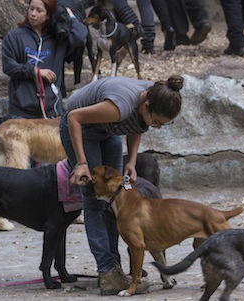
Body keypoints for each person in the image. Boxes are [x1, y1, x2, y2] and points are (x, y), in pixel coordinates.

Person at [59, 75, 183, 295]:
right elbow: (74, 117)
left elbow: (138, 125)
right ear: (146, 106)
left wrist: (132, 162)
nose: (155, 127)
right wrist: (81, 163)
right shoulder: (121, 106)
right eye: (156, 122)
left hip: (109, 130)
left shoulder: (153, 95)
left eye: (162, 125)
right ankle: (107, 272)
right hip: (81, 128)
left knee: (121, 191)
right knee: (95, 200)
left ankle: (116, 266)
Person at [1, 0, 87, 119]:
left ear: (48, 15)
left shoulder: (58, 39)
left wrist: (71, 17)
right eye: (31, 9)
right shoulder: (15, 36)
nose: (33, 14)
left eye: (39, 10)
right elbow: (8, 66)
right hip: (21, 111)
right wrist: (35, 72)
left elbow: (80, 37)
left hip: (52, 110)